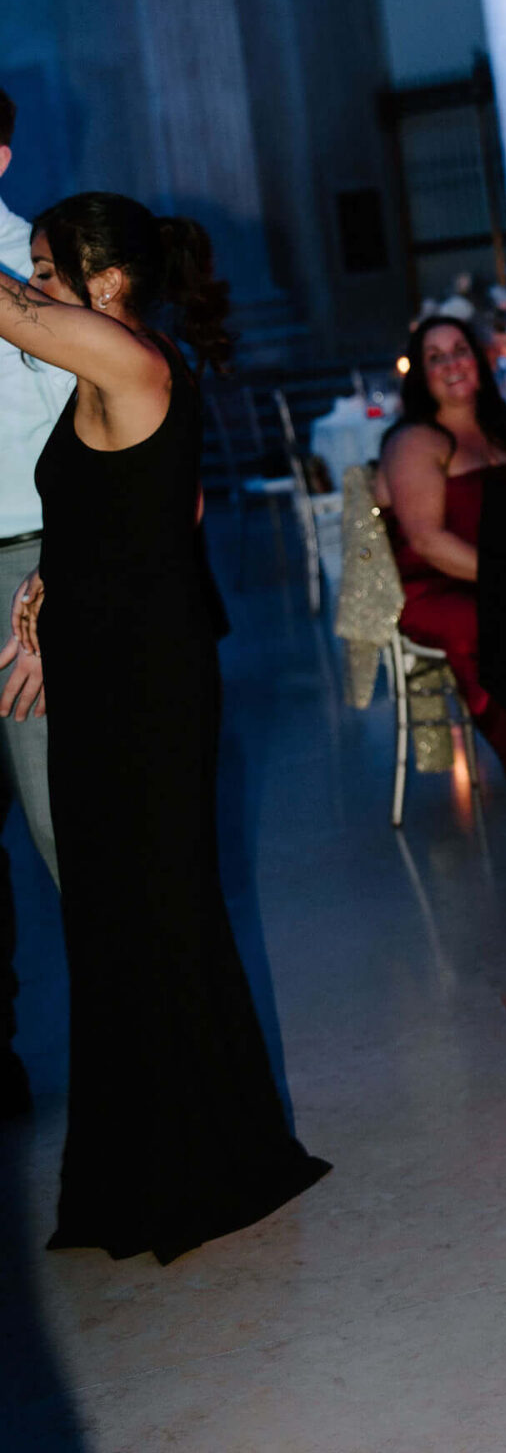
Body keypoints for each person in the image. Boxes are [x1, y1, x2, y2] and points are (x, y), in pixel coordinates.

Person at [0, 193, 328, 1261]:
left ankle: (199, 1169)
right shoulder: (128, 372)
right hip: (121, 671)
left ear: (105, 284)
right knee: (116, 916)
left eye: (50, 269)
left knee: (150, 910)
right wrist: (52, 589)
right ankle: (148, 1166)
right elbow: (155, 517)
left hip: (142, 688)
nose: (37, 285)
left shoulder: (131, 361)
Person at [376, 314, 506, 791]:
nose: (451, 363)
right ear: (420, 374)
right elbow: (428, 542)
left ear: (479, 360)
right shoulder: (414, 440)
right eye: (435, 356)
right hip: (435, 585)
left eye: (460, 350)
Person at [0, 89, 74, 1118]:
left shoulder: (41, 265)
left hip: (27, 566)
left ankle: (145, 1039)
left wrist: (57, 595)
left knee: (65, 823)